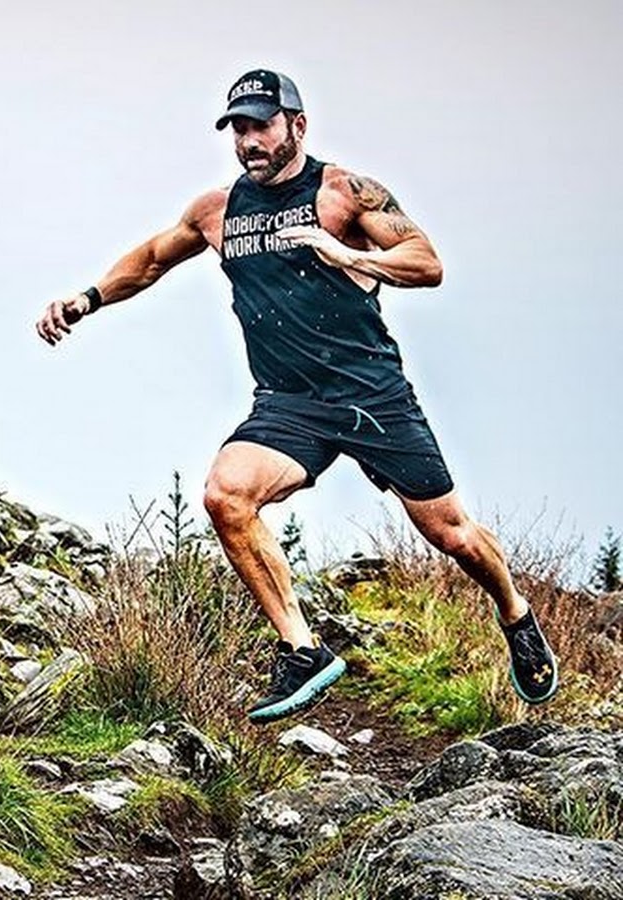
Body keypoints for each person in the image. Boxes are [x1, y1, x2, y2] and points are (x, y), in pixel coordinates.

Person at [36, 68, 559, 723]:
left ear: (298, 125)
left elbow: (427, 262)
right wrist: (85, 299)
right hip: (288, 403)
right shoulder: (217, 211)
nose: (248, 141)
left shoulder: (344, 194)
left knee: (452, 535)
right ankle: (302, 648)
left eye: (261, 125)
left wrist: (350, 256)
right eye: (238, 129)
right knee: (226, 495)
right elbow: (151, 260)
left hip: (371, 396)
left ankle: (514, 612)